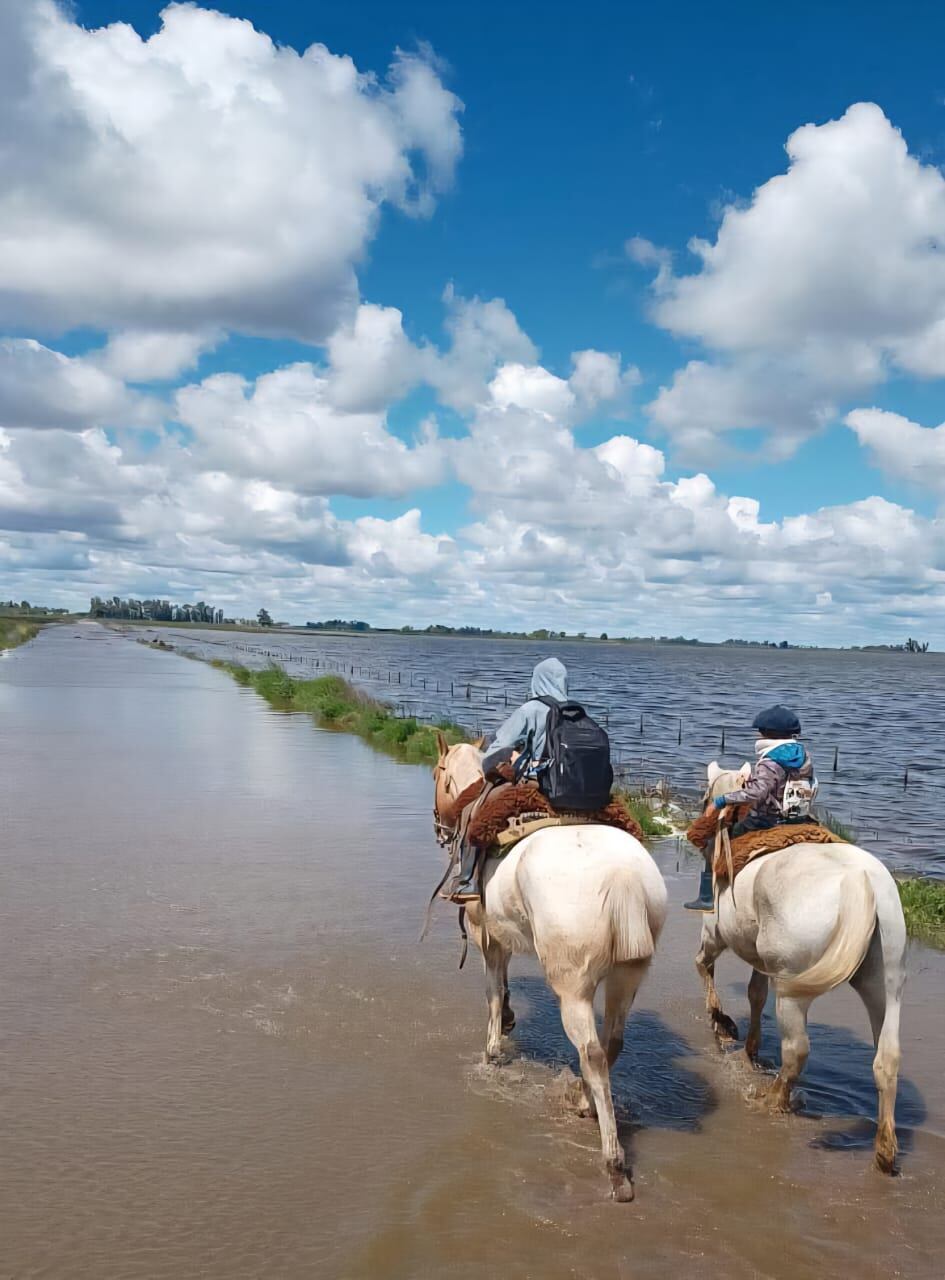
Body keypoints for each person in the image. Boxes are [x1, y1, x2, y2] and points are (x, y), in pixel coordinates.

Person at [448, 657, 569, 902]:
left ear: (537, 682)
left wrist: (501, 760)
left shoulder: (530, 710)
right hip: (574, 787)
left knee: (475, 811)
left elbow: (493, 754)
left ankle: (467, 881)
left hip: (538, 786)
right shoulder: (575, 712)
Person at [684, 704, 816, 911]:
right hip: (798, 817)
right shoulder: (803, 756)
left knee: (714, 843)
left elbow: (758, 793)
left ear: (767, 733)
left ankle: (708, 898)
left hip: (768, 820)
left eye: (760, 731)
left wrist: (721, 800)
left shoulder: (770, 761)